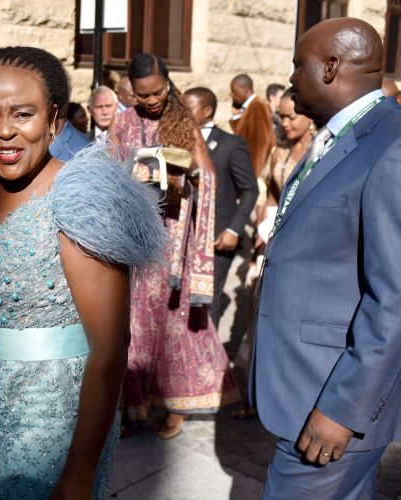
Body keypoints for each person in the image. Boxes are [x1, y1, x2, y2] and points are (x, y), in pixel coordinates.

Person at [0, 46, 166, 498]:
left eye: (23, 114)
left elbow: (110, 351)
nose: (5, 131)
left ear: (54, 120)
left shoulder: (81, 202)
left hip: (55, 432)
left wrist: (78, 474)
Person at [254, 18, 401, 499]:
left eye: (300, 64)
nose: (292, 77)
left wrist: (344, 408)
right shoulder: (340, 134)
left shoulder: (391, 145)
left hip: (332, 402)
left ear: (332, 66)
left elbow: (395, 300)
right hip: (303, 386)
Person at [113, 53, 240, 439]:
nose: (151, 101)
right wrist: (137, 172)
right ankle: (135, 409)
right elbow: (108, 170)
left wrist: (188, 179)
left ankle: (176, 408)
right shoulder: (123, 122)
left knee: (173, 327)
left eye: (157, 92)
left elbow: (210, 177)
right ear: (132, 92)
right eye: (142, 94)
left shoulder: (184, 121)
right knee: (133, 328)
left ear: (168, 84)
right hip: (135, 242)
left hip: (171, 245)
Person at [182, 87, 258, 328]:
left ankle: (207, 360)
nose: (183, 113)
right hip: (184, 237)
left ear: (208, 110)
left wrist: (234, 230)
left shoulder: (230, 144)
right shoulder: (177, 140)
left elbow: (250, 190)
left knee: (207, 303)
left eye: (189, 108)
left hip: (217, 238)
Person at [229, 74, 276, 177]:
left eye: (234, 91)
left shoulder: (257, 106)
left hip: (251, 170)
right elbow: (244, 133)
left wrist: (253, 175)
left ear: (245, 89)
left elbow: (260, 145)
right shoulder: (249, 107)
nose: (232, 95)